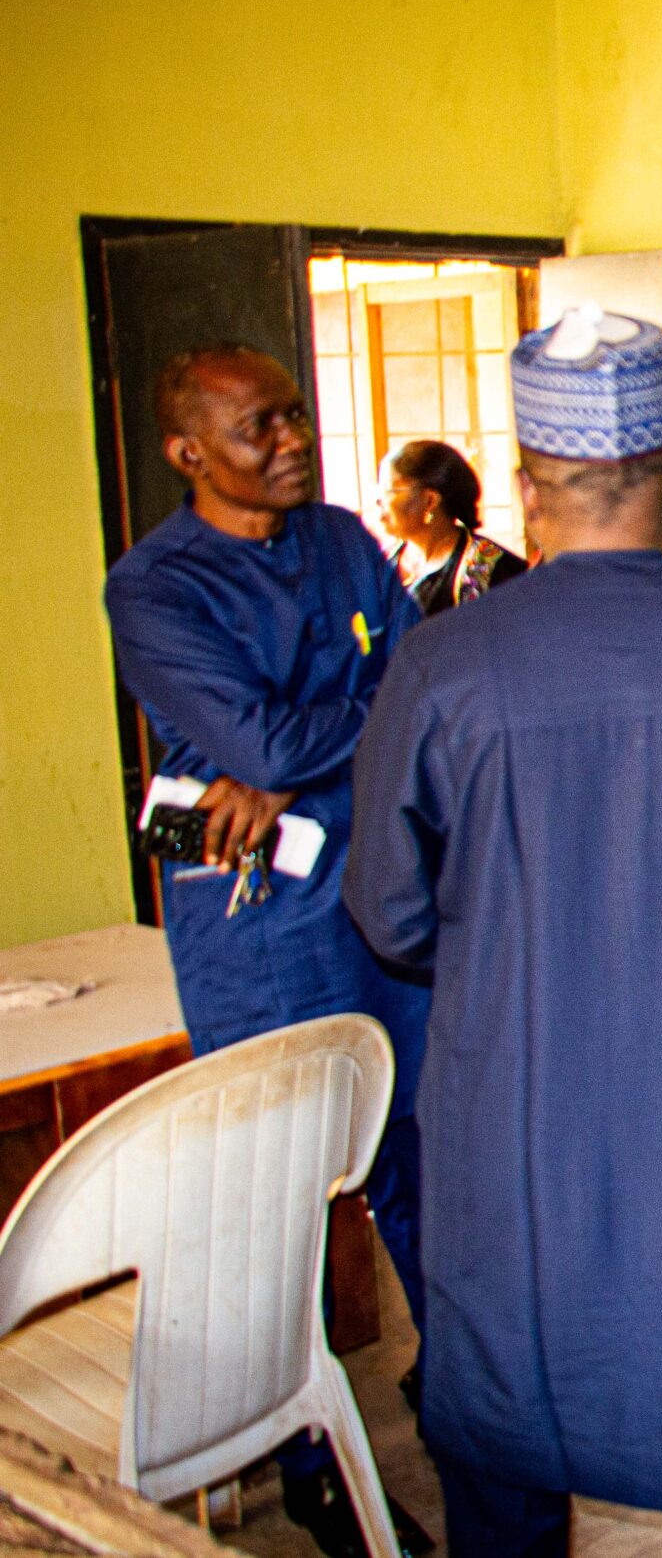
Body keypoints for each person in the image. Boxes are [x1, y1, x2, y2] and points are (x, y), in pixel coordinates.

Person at [346, 309, 662, 1557]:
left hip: (514, 1126)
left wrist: (518, 942)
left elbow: (390, 912)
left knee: (508, 1439)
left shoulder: (443, 666)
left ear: (528, 487)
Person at [102, 345, 433, 1557]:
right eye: (261, 427)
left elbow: (424, 676)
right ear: (190, 452)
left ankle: (460, 1392)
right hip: (259, 922)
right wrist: (299, 747)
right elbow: (267, 736)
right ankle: (309, 1461)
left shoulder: (340, 538)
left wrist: (288, 756)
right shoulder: (155, 587)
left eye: (295, 414)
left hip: (382, 893)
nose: (293, 439)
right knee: (276, 1192)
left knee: (419, 1154)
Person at [375, 439, 528, 615]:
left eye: (389, 490)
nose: (378, 500)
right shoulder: (384, 561)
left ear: (430, 501)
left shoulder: (492, 568)